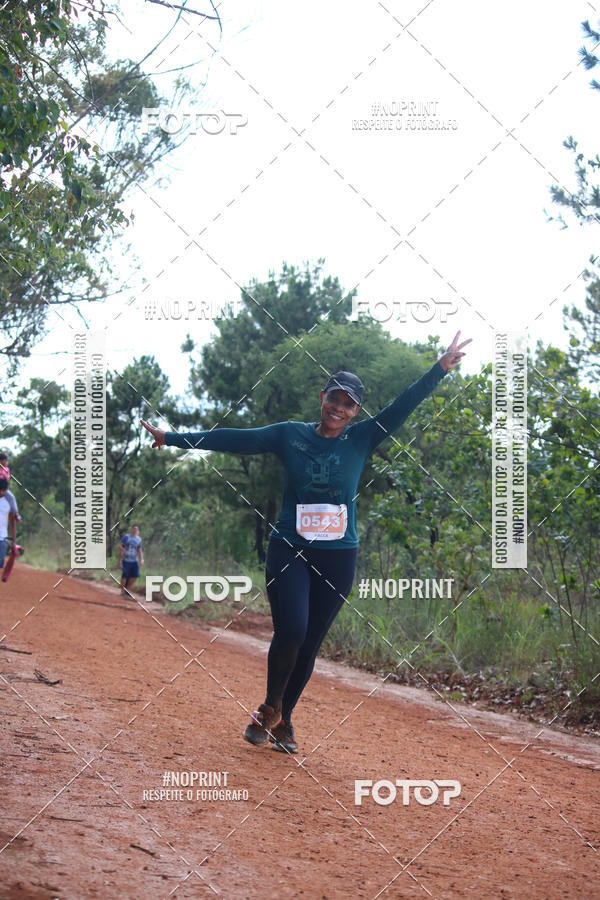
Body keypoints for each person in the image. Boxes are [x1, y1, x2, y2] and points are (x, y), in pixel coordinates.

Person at [142, 331, 471, 753]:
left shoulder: (364, 437)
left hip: (338, 555)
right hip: (289, 547)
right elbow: (236, 440)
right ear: (322, 397)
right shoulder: (289, 435)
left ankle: (281, 717)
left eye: (348, 403)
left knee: (311, 642)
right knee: (292, 629)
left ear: (356, 411)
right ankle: (271, 705)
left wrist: (439, 370)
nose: (339, 408)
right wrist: (172, 439)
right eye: (334, 398)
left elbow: (404, 405)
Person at [119, 524, 144, 598]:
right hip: (126, 559)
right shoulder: (126, 537)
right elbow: (120, 545)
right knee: (124, 575)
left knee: (135, 576)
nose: (135, 531)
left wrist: (141, 559)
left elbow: (139, 550)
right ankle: (122, 591)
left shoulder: (139, 539)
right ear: (131, 530)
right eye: (133, 529)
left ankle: (127, 590)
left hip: (134, 560)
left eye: (136, 530)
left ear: (138, 531)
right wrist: (123, 550)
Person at [0, 477, 17, 578]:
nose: (1, 492)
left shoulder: (9, 502)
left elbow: (12, 522)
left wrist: (14, 542)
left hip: (2, 538)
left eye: (3, 490)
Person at [0, 452, 22, 524]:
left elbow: (7, 479)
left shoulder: (6, 469)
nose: (7, 462)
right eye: (6, 461)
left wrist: (3, 474)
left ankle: (16, 514)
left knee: (11, 497)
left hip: (4, 488)